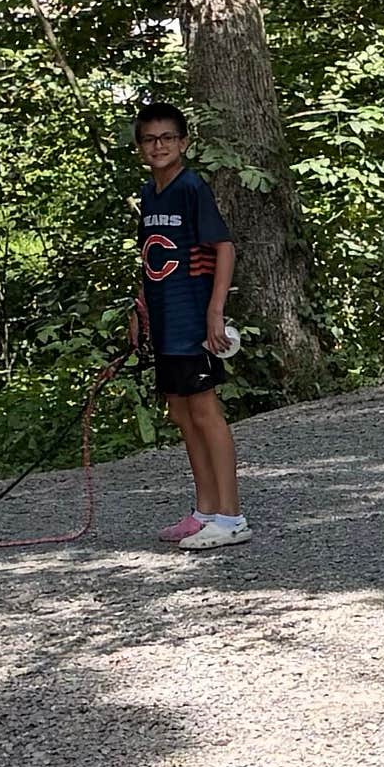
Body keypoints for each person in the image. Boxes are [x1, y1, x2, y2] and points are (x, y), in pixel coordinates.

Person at [132, 102, 248, 549]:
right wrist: (140, 308)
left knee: (205, 411)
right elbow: (154, 258)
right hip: (164, 319)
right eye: (149, 139)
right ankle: (204, 511)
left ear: (183, 142)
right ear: (140, 146)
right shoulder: (149, 194)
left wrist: (214, 313)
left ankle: (231, 517)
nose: (158, 146)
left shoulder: (191, 188)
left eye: (167, 138)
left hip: (194, 320)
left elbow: (224, 247)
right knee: (180, 412)